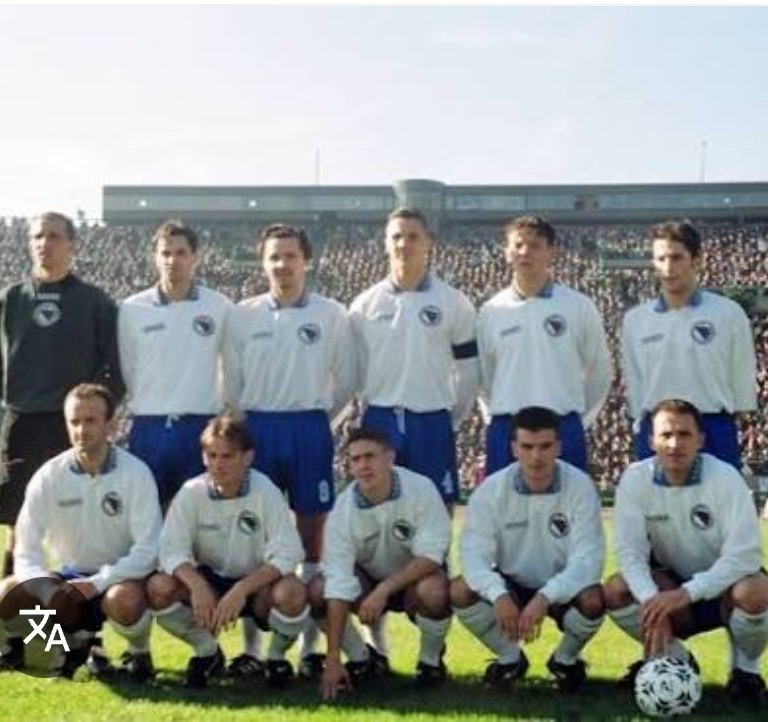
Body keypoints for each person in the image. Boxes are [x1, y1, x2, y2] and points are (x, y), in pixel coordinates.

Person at [223, 223, 355, 677]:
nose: (282, 264)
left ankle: (310, 647)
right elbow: (232, 383)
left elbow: (347, 379)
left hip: (309, 426)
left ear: (306, 261)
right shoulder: (242, 315)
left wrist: (318, 419)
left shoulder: (331, 314)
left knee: (311, 535)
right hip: (257, 425)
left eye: (290, 256)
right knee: (255, 532)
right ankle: (252, 649)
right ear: (263, 262)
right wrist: (246, 425)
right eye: (274, 257)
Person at [604, 398, 768, 709]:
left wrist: (687, 593)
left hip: (724, 591)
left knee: (755, 591)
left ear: (700, 440)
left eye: (684, 434)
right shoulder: (635, 479)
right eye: (666, 435)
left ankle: (746, 672)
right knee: (616, 589)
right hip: (673, 589)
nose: (674, 444)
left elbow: (745, 556)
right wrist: (652, 604)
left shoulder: (725, 477)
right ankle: (675, 659)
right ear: (651, 441)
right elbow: (629, 552)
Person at [0, 211, 124, 578]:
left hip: (75, 428)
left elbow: (115, 365)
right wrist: (17, 397)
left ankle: (81, 610)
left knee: (81, 516)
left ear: (72, 245)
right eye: (38, 236)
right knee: (17, 520)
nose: (45, 243)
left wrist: (98, 413)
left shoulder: (94, 302)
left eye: (55, 236)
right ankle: (13, 610)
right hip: (23, 424)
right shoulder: (7, 301)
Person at [0, 383, 161, 681]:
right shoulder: (49, 475)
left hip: (118, 578)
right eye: (75, 421)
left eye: (91, 420)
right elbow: (26, 548)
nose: (82, 430)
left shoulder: (136, 473)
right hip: (68, 578)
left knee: (125, 600)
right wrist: (42, 585)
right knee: (4, 594)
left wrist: (97, 582)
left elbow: (148, 549)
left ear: (111, 424)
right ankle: (67, 647)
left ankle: (139, 652)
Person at [146, 415, 308, 688]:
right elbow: (170, 550)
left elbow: (288, 552)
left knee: (292, 592)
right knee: (158, 587)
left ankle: (276, 658)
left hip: (256, 585)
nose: (218, 464)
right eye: (212, 455)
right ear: (203, 457)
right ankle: (207, 651)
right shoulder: (191, 492)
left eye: (227, 456)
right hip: (210, 581)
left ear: (247, 457)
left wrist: (242, 590)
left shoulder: (265, 490)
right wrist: (198, 586)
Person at [451, 406, 606, 693]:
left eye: (545, 446)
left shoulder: (580, 486)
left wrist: (545, 596)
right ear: (514, 448)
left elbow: (589, 561)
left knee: (594, 599)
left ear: (558, 447)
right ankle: (510, 659)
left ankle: (565, 661)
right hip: (511, 583)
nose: (536, 456)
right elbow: (473, 557)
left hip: (559, 584)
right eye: (527, 447)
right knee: (460, 590)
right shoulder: (491, 490)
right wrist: (498, 594)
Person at [348, 207, 479, 506]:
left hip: (432, 419)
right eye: (396, 237)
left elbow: (469, 369)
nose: (403, 244)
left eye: (412, 236)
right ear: (385, 243)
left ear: (428, 242)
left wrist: (451, 418)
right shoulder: (364, 305)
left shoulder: (454, 302)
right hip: (381, 418)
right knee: (378, 507)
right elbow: (356, 370)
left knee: (438, 505)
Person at [311, 428, 452, 700]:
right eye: (355, 459)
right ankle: (361, 659)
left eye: (370, 456)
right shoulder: (343, 509)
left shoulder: (421, 489)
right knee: (318, 590)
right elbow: (338, 582)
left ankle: (430, 663)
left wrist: (384, 590)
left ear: (390, 458)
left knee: (434, 591)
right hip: (367, 584)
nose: (363, 465)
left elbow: (432, 555)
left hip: (413, 581)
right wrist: (332, 658)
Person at [477, 215, 611, 476]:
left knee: (567, 501)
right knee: (503, 501)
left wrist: (576, 419)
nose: (525, 252)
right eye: (518, 245)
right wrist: (498, 415)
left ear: (551, 252)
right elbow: (483, 377)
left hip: (562, 426)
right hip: (507, 428)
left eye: (535, 245)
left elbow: (599, 371)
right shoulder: (490, 311)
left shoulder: (578, 306)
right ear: (507, 252)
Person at [621, 220, 757, 469]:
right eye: (661, 259)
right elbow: (635, 384)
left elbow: (741, 380)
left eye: (676, 257)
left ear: (696, 260)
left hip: (713, 428)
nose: (668, 267)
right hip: (657, 429)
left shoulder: (728, 313)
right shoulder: (636, 320)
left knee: (719, 496)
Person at [118, 219, 231, 508]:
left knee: (200, 514)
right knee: (147, 513)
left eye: (181, 253)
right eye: (166, 253)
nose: (172, 260)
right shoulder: (132, 309)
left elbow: (231, 365)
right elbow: (129, 367)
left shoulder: (219, 306)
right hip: (149, 425)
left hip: (200, 424)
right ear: (155, 257)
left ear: (195, 257)